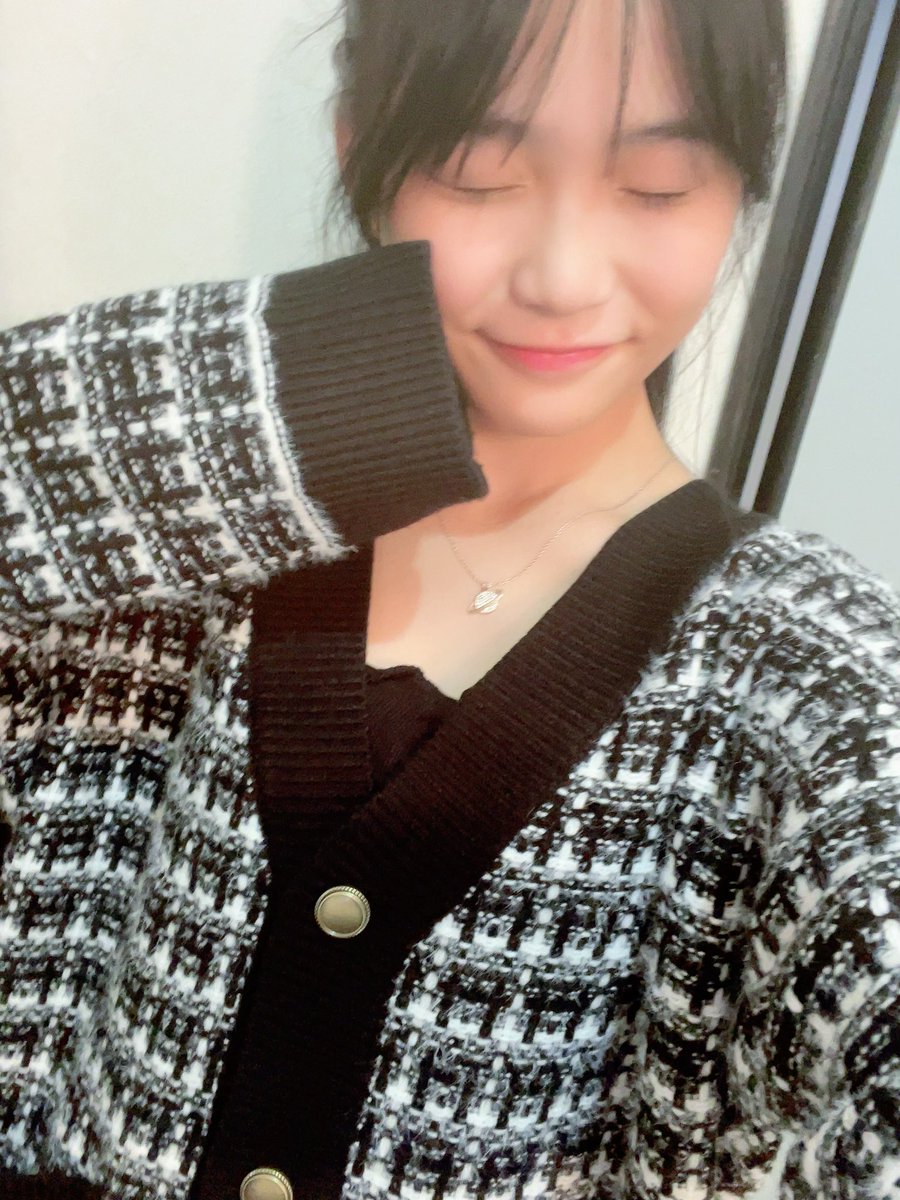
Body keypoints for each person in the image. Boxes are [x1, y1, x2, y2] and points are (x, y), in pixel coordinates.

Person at [1, 1, 898, 1198]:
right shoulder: (168, 539)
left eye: (658, 186)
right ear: (357, 144)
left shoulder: (801, 670)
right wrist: (336, 387)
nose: (563, 277)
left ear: (740, 188)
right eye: (478, 172)